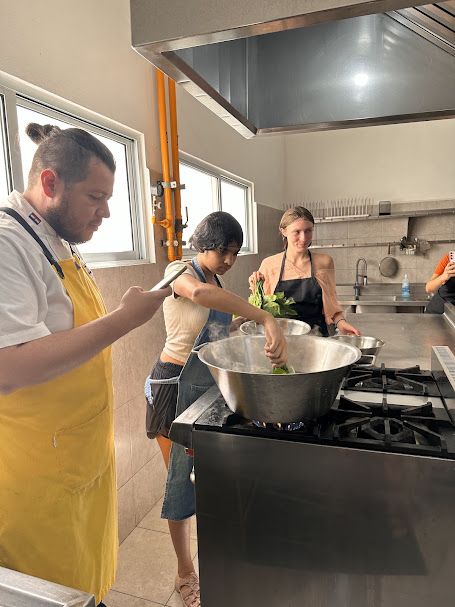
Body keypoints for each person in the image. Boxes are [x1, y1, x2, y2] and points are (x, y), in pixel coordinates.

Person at [0, 123, 170, 606]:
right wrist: (124, 319)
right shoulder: (6, 243)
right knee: (51, 592)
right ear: (50, 184)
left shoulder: (56, 239)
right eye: (95, 197)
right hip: (34, 475)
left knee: (84, 588)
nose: (106, 212)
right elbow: (9, 367)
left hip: (78, 455)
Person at [144, 211, 287, 607]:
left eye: (234, 253)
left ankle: (217, 558)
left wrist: (248, 326)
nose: (228, 260)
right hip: (173, 389)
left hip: (207, 390)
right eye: (223, 250)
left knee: (207, 483)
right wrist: (263, 315)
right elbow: (200, 298)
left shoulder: (218, 281)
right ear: (203, 243)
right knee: (179, 485)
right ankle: (184, 572)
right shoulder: (180, 271)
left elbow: (214, 332)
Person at [249, 206, 359, 336]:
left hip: (317, 338)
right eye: (297, 232)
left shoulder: (324, 262)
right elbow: (261, 309)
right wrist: (255, 285)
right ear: (284, 231)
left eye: (308, 231)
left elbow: (331, 304)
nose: (304, 238)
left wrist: (341, 323)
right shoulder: (269, 264)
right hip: (282, 339)